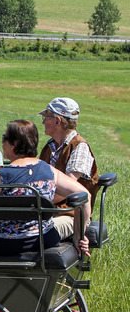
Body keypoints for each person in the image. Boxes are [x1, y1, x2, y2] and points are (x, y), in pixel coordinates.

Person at [0, 120, 91, 256]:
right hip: (43, 240)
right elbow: (85, 196)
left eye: (4, 138)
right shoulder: (49, 170)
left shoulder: (1, 176)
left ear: (14, 145)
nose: (2, 142)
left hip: (0, 244)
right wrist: (78, 235)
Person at [38, 97, 98, 239]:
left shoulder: (79, 147)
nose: (43, 122)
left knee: (36, 232)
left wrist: (38, 202)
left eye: (46, 117)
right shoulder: (50, 146)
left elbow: (70, 186)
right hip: (46, 210)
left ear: (58, 120)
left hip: (70, 214)